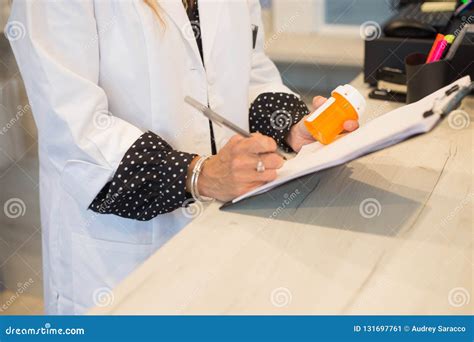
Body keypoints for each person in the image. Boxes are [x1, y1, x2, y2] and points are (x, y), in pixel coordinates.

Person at [8, 0, 359, 314]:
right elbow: (75, 128)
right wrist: (199, 174)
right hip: (119, 256)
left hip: (222, 229)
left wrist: (292, 125)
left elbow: (248, 72)